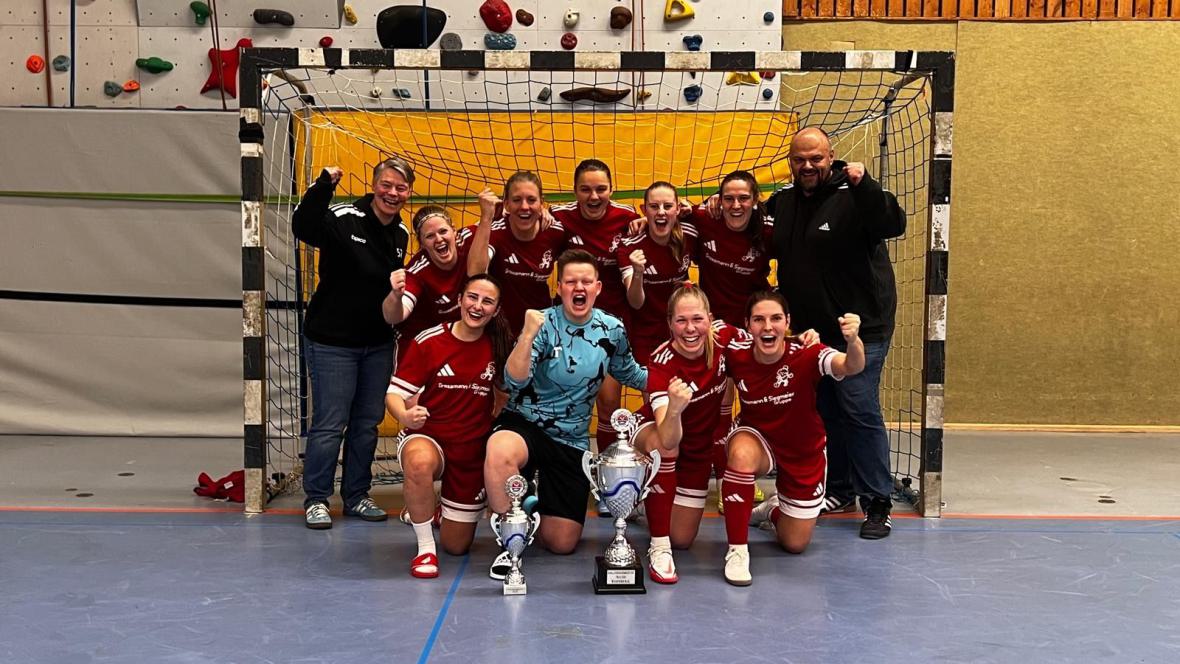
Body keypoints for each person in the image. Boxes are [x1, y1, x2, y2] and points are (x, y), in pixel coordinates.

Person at [767, 126, 906, 539]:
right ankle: (841, 490)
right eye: (800, 159)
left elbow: (892, 223)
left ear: (831, 157)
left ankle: (877, 501)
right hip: (812, 333)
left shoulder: (854, 194)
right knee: (828, 410)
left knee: (859, 408)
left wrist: (867, 186)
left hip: (861, 330)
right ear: (790, 162)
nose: (808, 166)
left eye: (816, 158)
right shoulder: (784, 201)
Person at [482, 249, 647, 580]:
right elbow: (514, 380)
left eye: (586, 281)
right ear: (559, 287)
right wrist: (527, 335)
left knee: (561, 542)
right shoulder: (543, 324)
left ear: (598, 288)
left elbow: (631, 372)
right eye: (571, 282)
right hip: (525, 423)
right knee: (500, 450)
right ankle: (508, 541)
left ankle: (531, 503)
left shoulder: (611, 329)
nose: (578, 287)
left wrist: (675, 384)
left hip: (570, 439)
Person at [291, 157, 414, 529]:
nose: (392, 193)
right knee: (331, 423)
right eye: (386, 185)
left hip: (376, 345)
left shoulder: (401, 233)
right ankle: (317, 499)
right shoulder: (345, 217)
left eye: (400, 188)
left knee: (366, 424)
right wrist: (323, 186)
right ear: (374, 185)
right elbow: (303, 226)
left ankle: (357, 495)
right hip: (332, 342)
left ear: (409, 192)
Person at [719, 291, 865, 586]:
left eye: (775, 318)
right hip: (758, 439)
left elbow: (852, 366)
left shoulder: (808, 352)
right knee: (740, 455)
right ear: (748, 325)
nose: (767, 326)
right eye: (759, 319)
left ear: (787, 322)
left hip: (802, 449)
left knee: (794, 543)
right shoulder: (735, 350)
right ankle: (737, 550)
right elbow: (708, 332)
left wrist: (853, 341)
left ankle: (771, 510)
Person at [385, 274, 512, 578]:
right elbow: (393, 395)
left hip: (471, 451)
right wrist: (405, 416)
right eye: (472, 297)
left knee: (456, 546)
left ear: (496, 310)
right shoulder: (429, 341)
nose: (477, 306)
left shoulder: (499, 346)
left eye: (487, 302)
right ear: (459, 300)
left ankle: (441, 508)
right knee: (419, 462)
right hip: (430, 437)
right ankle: (425, 548)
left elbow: (507, 393)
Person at [626, 284, 734, 584]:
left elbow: (767, 345)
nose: (690, 329)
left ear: (710, 319)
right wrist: (674, 409)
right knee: (666, 448)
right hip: (655, 432)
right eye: (681, 320)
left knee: (683, 539)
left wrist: (802, 340)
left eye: (697, 319)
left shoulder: (726, 338)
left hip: (697, 449)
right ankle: (659, 547)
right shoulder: (661, 362)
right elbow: (668, 438)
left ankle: (644, 503)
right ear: (670, 323)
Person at [549, 160, 640, 450]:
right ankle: (563, 462)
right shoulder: (558, 216)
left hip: (612, 325)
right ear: (575, 191)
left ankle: (607, 465)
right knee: (564, 397)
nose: (594, 196)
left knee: (610, 401)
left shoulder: (627, 217)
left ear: (611, 190)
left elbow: (666, 219)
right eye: (585, 189)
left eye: (601, 189)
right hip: (567, 325)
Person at [468, 171, 567, 336]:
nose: (524, 207)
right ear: (506, 205)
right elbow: (475, 273)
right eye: (516, 200)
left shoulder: (555, 232)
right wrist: (486, 217)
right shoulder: (496, 231)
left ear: (541, 203)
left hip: (541, 328)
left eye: (532, 200)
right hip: (502, 329)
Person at [617, 181, 697, 369]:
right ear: (644, 210)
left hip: (683, 328)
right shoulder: (629, 246)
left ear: (678, 209)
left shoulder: (690, 235)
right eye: (654, 207)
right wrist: (638, 273)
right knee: (652, 387)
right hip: (646, 333)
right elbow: (636, 302)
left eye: (667, 206)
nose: (661, 212)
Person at [382, 205, 473, 356]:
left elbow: (496, 219)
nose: (439, 239)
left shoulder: (469, 242)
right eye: (430, 236)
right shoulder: (416, 273)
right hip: (417, 345)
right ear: (422, 244)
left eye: (443, 231)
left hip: (454, 340)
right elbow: (393, 317)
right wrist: (395, 295)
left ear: (454, 231)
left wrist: (489, 213)